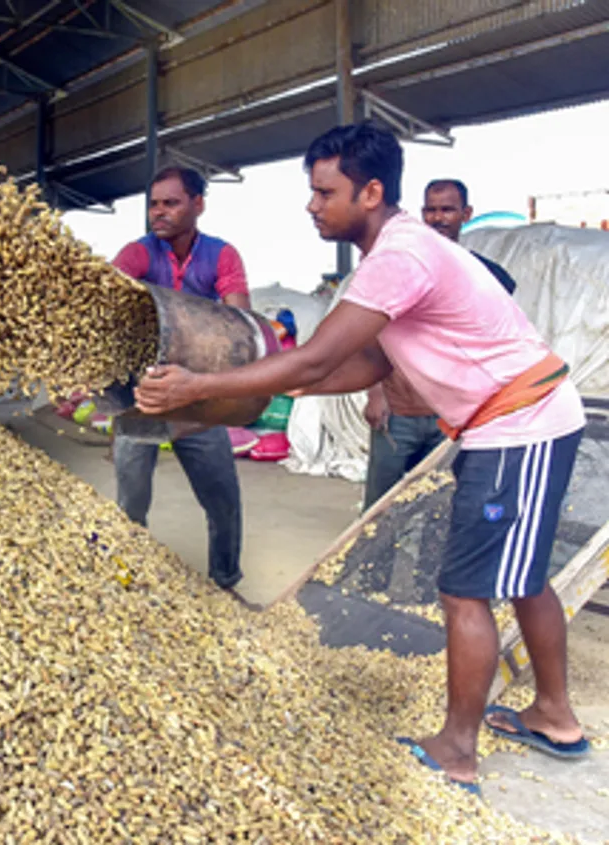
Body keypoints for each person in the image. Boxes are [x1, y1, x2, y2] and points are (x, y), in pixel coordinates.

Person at [133, 123, 588, 792]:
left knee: (465, 590)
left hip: (519, 423)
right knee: (522, 577)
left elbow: (319, 354)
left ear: (371, 191)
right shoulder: (399, 254)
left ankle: (457, 750)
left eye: (325, 191)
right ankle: (554, 714)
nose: (312, 205)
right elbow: (372, 357)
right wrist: (291, 381)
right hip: (520, 418)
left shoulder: (399, 257)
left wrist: (202, 385)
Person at [108, 166, 250, 590]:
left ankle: (225, 581)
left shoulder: (221, 256)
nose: (159, 212)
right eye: (154, 204)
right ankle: (126, 579)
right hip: (144, 395)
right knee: (131, 498)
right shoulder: (139, 254)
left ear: (198, 205)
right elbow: (108, 295)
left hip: (196, 396)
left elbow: (238, 319)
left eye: (171, 203)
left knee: (222, 498)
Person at [361, 179, 521, 508]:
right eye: (431, 210)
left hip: (450, 416)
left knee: (438, 508)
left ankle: (426, 563)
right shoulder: (402, 268)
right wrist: (375, 393)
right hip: (398, 414)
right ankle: (372, 563)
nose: (438, 218)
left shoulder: (487, 276)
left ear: (466, 214)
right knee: (378, 509)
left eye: (447, 209)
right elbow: (373, 333)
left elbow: (495, 342)